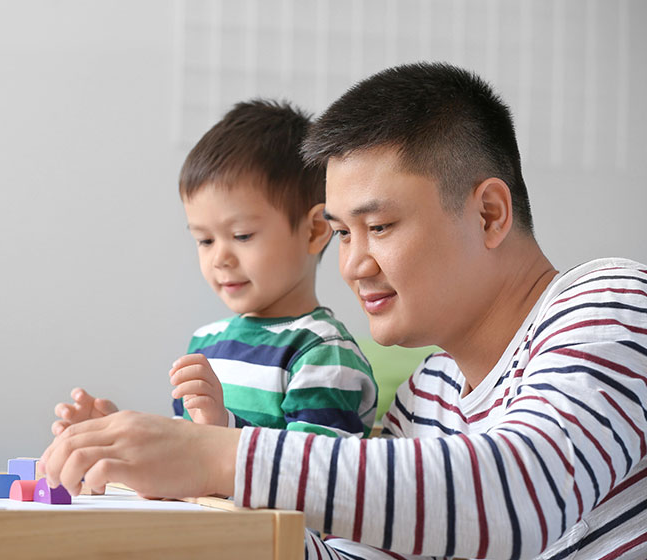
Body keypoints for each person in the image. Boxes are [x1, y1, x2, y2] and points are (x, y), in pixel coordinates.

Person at [40, 63, 647, 560]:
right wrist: (183, 495)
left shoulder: (613, 303)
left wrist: (214, 458)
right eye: (342, 233)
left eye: (379, 226)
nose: (352, 265)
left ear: (489, 214)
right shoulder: (425, 396)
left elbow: (520, 492)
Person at [52, 100, 377, 441]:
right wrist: (117, 437)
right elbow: (185, 451)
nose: (220, 258)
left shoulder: (323, 353)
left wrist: (222, 427)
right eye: (204, 240)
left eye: (241, 236)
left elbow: (315, 471)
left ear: (313, 231)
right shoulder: (206, 343)